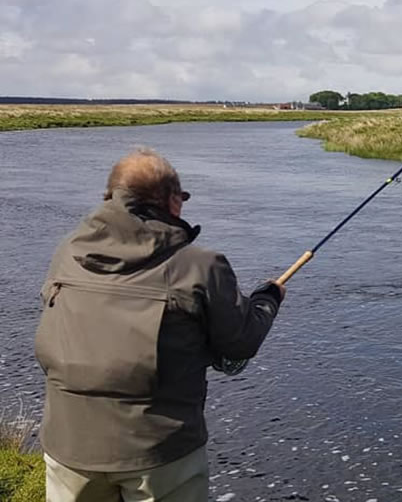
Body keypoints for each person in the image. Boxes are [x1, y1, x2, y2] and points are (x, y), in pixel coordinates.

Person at [34, 147, 286, 502]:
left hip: (67, 442)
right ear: (172, 201)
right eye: (180, 198)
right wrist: (267, 301)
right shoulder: (201, 265)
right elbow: (240, 343)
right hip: (160, 452)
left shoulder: (66, 252)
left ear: (110, 197)